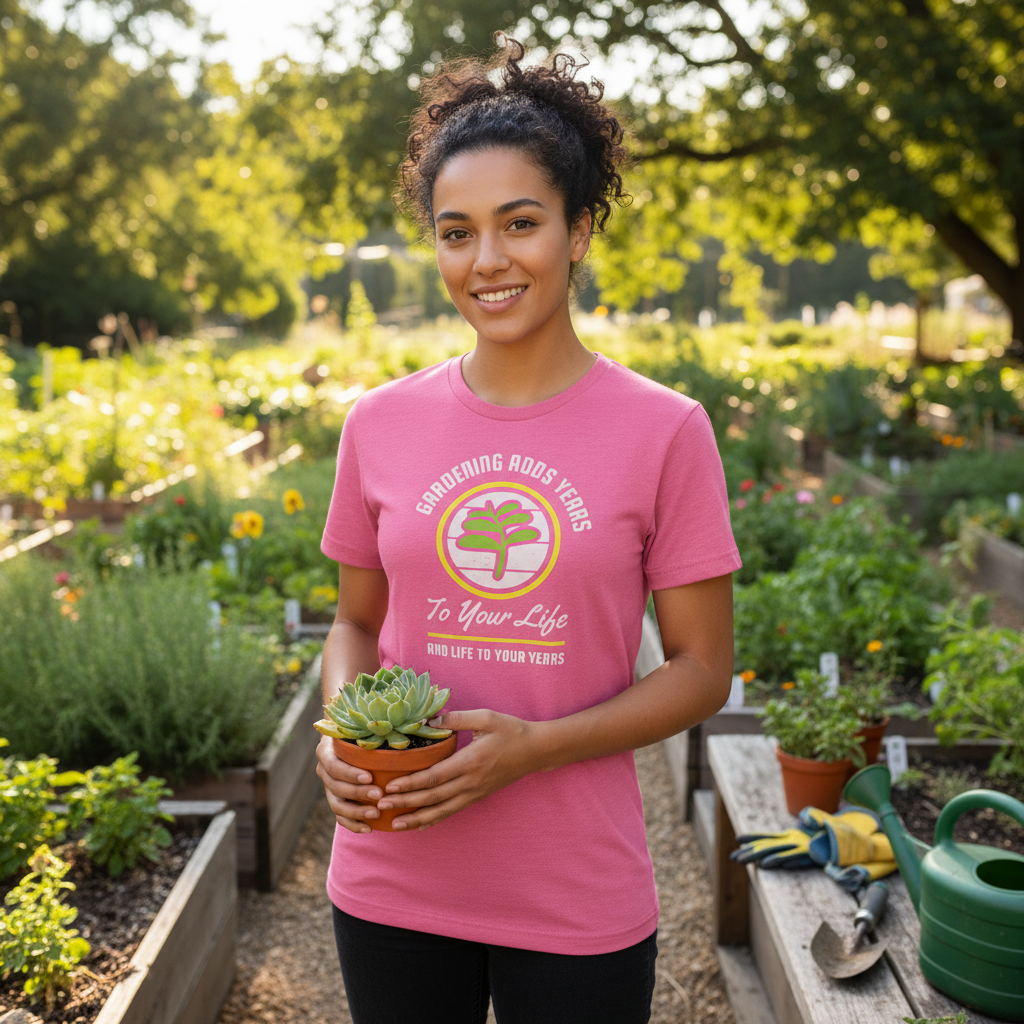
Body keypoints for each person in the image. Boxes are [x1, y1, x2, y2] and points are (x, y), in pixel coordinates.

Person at [316, 35, 741, 1024]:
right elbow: (353, 624)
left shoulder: (665, 429)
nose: (488, 260)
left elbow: (700, 668)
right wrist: (343, 734)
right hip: (391, 870)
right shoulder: (376, 425)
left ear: (580, 228)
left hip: (574, 890)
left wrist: (533, 747)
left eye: (520, 223)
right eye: (456, 232)